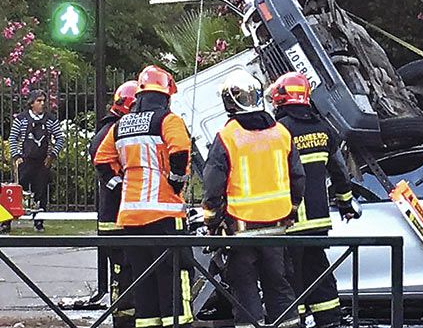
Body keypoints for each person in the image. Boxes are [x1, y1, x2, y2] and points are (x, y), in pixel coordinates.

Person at [201, 70, 305, 328]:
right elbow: (298, 178)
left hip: (242, 230)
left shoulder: (227, 136)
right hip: (277, 228)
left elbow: (213, 185)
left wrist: (212, 222)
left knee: (245, 289)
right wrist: (291, 210)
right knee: (279, 286)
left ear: (228, 102)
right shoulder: (281, 133)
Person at [94, 65, 194, 328]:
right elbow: (180, 151)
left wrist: (119, 184)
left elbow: (102, 160)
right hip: (164, 213)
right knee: (174, 278)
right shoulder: (168, 120)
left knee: (143, 282)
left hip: (131, 216)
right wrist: (175, 184)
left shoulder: (122, 124)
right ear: (166, 95)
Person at [270, 72, 362, 328]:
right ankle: (329, 320)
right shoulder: (324, 129)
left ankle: (297, 321)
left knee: (292, 277)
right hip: (318, 221)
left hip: (290, 220)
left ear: (280, 98)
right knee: (319, 272)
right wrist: (345, 203)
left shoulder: (279, 131)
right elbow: (340, 172)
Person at [88, 80, 138, 327]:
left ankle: (127, 316)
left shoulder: (112, 128)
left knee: (127, 271)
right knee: (123, 272)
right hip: (115, 219)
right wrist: (123, 185)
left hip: (117, 215)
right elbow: (101, 163)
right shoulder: (112, 130)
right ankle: (124, 320)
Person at [2, 89, 65, 233]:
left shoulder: (50, 120)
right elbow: (13, 138)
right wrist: (16, 156)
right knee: (16, 192)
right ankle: (6, 222)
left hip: (42, 162)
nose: (42, 104)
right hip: (25, 161)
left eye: (44, 101)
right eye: (39, 101)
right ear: (31, 103)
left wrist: (52, 156)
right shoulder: (22, 119)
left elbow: (60, 138)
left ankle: (39, 221)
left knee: (41, 193)